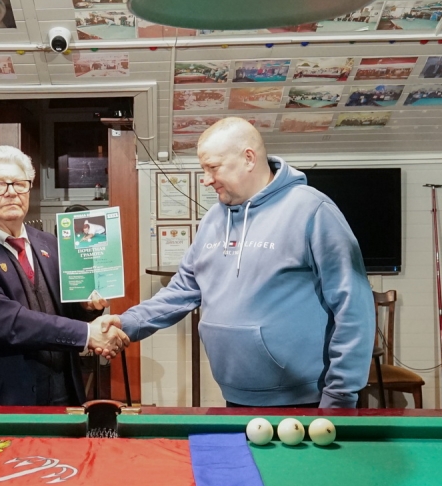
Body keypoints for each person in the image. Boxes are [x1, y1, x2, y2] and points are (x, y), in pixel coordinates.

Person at [117, 117, 375, 408]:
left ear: (249, 158)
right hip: (235, 396)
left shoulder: (313, 210)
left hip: (306, 402)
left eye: (213, 167)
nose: (206, 179)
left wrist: (340, 396)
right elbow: (183, 290)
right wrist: (126, 323)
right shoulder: (213, 219)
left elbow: (354, 306)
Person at [0, 145, 129, 406]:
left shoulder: (50, 243)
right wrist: (87, 334)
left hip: (64, 394)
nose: (11, 192)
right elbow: (9, 323)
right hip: (1, 401)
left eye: (20, 184)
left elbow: (64, 311)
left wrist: (85, 307)